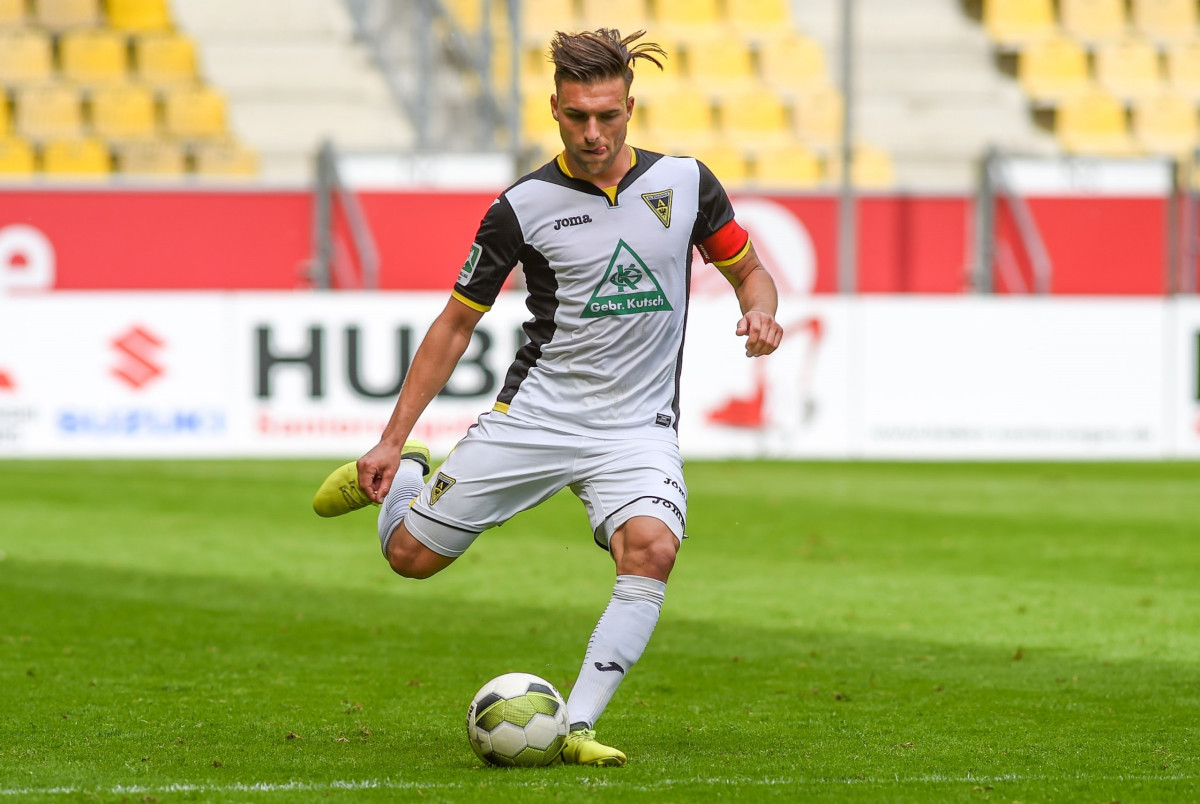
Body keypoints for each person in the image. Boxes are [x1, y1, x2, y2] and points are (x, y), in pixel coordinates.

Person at [313, 28, 783, 767]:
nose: (593, 133)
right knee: (409, 559)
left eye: (607, 115)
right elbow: (455, 324)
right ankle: (409, 476)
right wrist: (389, 438)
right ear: (555, 111)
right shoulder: (521, 206)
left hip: (637, 428)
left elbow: (750, 271)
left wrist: (761, 312)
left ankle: (576, 727)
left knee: (652, 549)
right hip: (536, 417)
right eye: (577, 117)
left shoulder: (687, 183)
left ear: (630, 108)